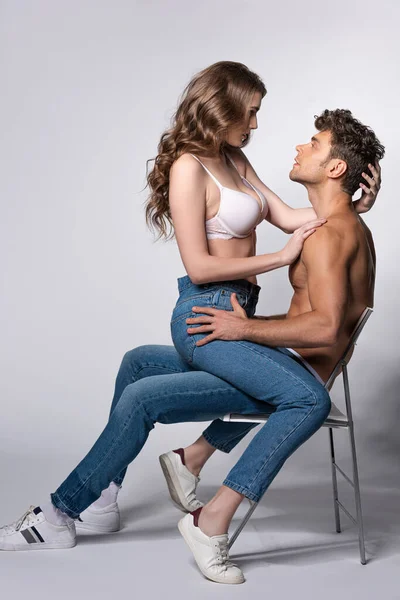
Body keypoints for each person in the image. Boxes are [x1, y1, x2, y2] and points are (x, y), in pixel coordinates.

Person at [0, 63, 383, 585]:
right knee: (158, 398)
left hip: (238, 313)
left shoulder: (236, 159)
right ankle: (60, 513)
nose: (256, 123)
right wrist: (276, 261)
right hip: (208, 307)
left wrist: (356, 205)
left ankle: (109, 495)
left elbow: (297, 217)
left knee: (138, 365)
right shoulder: (188, 167)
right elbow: (200, 266)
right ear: (223, 108)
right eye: (251, 111)